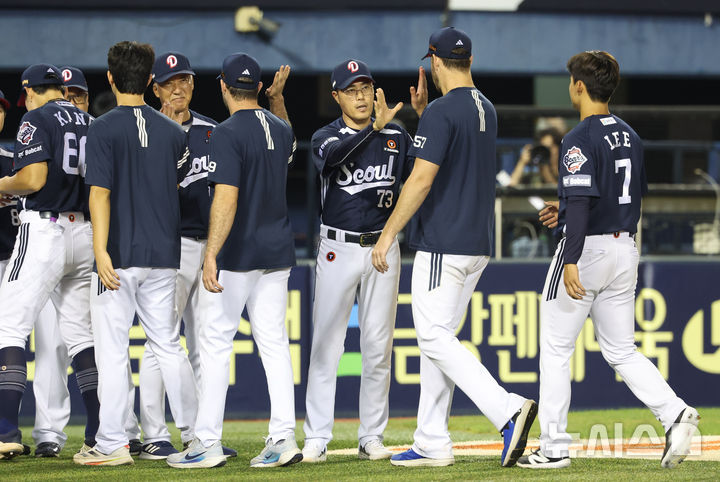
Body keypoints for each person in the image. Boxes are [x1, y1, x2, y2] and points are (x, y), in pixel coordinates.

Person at [517, 50, 699, 470]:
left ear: (579, 86)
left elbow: (584, 201)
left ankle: (554, 447)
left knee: (556, 348)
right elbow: (621, 197)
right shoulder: (630, 134)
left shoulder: (578, 137)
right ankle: (675, 412)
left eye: (571, 82)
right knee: (621, 349)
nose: (570, 87)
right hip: (624, 247)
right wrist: (565, 209)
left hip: (588, 250)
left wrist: (571, 256)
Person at [371, 27, 537, 468]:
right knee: (439, 339)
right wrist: (425, 115)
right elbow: (453, 155)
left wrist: (388, 234)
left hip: (443, 242)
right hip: (476, 243)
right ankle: (431, 440)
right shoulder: (486, 106)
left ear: (434, 62)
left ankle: (507, 410)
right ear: (469, 60)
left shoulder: (442, 111)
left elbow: (421, 179)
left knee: (433, 337)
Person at [138, 51, 289, 461]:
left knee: (207, 344)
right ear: (154, 89)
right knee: (161, 341)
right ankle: (155, 433)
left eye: (184, 80)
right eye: (169, 82)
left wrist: (213, 251)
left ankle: (200, 436)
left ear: (204, 84)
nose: (178, 88)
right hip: (171, 245)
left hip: (215, 246)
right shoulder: (148, 130)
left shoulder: (215, 129)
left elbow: (229, 191)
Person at [73, 40, 198, 466]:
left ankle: (113, 442)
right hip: (163, 252)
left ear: (110, 78)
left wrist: (100, 251)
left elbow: (100, 194)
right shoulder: (174, 131)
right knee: (169, 346)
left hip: (119, 254)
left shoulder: (102, 127)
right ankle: (197, 437)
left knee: (112, 350)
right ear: (149, 80)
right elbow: (177, 181)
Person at [301, 59, 421, 463]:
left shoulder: (396, 135)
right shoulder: (325, 136)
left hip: (382, 248)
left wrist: (414, 121)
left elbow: (418, 179)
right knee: (326, 344)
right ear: (336, 96)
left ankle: (371, 435)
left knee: (377, 347)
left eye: (365, 88)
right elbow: (334, 159)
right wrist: (373, 130)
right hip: (338, 247)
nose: (360, 96)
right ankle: (317, 435)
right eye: (351, 90)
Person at [27, 65, 143, 458]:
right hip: (58, 239)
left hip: (90, 244)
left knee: (105, 342)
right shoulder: (55, 129)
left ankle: (121, 426)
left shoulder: (98, 131)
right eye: (67, 93)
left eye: (77, 94)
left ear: (87, 98)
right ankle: (49, 432)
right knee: (51, 345)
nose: (72, 100)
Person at [0, 65, 100, 460]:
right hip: (85, 231)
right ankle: (99, 434)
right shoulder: (91, 122)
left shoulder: (37, 118)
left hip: (46, 229)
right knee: (81, 336)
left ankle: (5, 430)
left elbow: (32, 180)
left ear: (29, 91)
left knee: (9, 325)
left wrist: (3, 185)